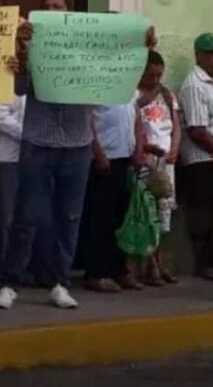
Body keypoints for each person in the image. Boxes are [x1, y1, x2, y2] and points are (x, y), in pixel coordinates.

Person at [0, 0, 93, 311]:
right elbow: (17, 90)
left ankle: (60, 282)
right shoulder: (30, 47)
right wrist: (18, 61)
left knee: (70, 216)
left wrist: (138, 45)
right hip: (37, 141)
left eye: (57, 7)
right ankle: (10, 282)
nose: (50, 11)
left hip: (77, 143)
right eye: (45, 7)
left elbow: (110, 86)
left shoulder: (88, 49)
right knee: (26, 214)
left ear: (70, 14)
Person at [177, 32, 213, 281]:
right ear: (199, 56)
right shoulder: (194, 85)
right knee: (202, 214)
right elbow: (197, 130)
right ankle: (204, 264)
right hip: (202, 159)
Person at [83, 97, 143, 293]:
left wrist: (139, 150)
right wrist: (98, 152)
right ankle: (97, 272)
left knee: (121, 216)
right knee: (101, 217)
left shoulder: (128, 83)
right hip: (104, 158)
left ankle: (120, 269)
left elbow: (136, 118)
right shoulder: (96, 85)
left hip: (125, 155)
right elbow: (87, 120)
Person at [135, 50, 181, 286]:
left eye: (159, 75)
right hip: (145, 159)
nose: (155, 80)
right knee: (145, 212)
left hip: (165, 161)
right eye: (151, 75)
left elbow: (176, 125)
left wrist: (174, 147)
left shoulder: (167, 95)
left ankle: (161, 262)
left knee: (164, 214)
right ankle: (149, 265)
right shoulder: (134, 95)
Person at [0, 93, 25, 289]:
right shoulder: (2, 83)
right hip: (8, 158)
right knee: (6, 217)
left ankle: (23, 269)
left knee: (32, 216)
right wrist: (28, 133)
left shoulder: (41, 80)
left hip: (37, 158)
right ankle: (0, 272)